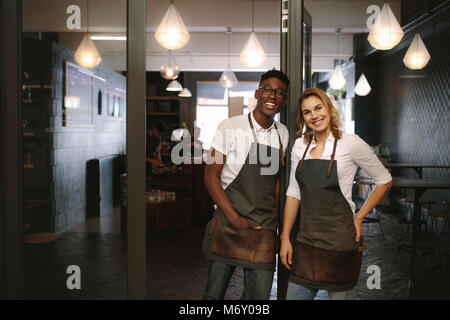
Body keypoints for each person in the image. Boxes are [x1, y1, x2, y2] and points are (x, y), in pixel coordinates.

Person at [280, 87, 392, 300]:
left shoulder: (350, 143)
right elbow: (294, 193)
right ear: (302, 117)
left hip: (340, 242)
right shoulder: (299, 146)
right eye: (307, 112)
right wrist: (285, 236)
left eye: (318, 108)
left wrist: (359, 217)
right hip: (307, 240)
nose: (314, 116)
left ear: (329, 109)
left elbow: (384, 180)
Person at [202, 69, 290, 300]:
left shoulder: (283, 133)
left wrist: (278, 226)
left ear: (284, 100)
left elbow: (276, 181)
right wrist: (234, 218)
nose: (272, 96)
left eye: (279, 93)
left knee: (258, 299)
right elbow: (211, 177)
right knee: (213, 296)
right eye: (268, 90)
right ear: (257, 93)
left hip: (264, 230)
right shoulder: (229, 127)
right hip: (229, 224)